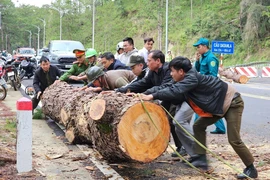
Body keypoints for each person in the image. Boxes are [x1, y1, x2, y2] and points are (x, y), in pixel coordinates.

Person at [139, 56, 258, 178]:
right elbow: (165, 87)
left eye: (172, 71)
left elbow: (174, 91)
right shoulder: (182, 79)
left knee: (234, 139)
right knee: (198, 125)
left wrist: (152, 96)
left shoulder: (191, 78)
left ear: (181, 71)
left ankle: (251, 168)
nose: (171, 74)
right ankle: (200, 158)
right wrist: (145, 94)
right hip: (218, 104)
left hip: (232, 102)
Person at [116, 50, 184, 157]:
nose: (147, 63)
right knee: (162, 120)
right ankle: (167, 146)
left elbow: (165, 87)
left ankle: (184, 147)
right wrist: (122, 90)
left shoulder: (168, 70)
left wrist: (147, 93)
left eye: (149, 61)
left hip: (177, 98)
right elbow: (142, 83)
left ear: (158, 61)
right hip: (165, 98)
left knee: (175, 121)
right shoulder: (152, 72)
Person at [193, 37, 226, 134]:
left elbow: (213, 75)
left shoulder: (211, 58)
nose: (197, 49)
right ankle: (220, 128)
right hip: (202, 85)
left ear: (204, 46)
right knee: (210, 108)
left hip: (208, 87)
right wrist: (197, 60)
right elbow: (197, 69)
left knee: (201, 106)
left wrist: (208, 87)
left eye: (198, 47)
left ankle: (196, 127)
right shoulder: (202, 57)